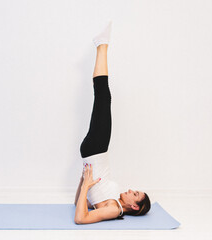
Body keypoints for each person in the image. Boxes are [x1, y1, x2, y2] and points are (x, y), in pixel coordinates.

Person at [74, 21, 151, 224]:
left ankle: (102, 44)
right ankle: (102, 45)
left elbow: (80, 218)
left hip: (97, 150)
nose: (131, 190)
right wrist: (84, 183)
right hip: (95, 151)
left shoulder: (113, 210)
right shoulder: (112, 201)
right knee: (101, 96)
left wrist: (86, 186)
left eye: (135, 194)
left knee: (103, 96)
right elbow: (79, 205)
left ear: (134, 206)